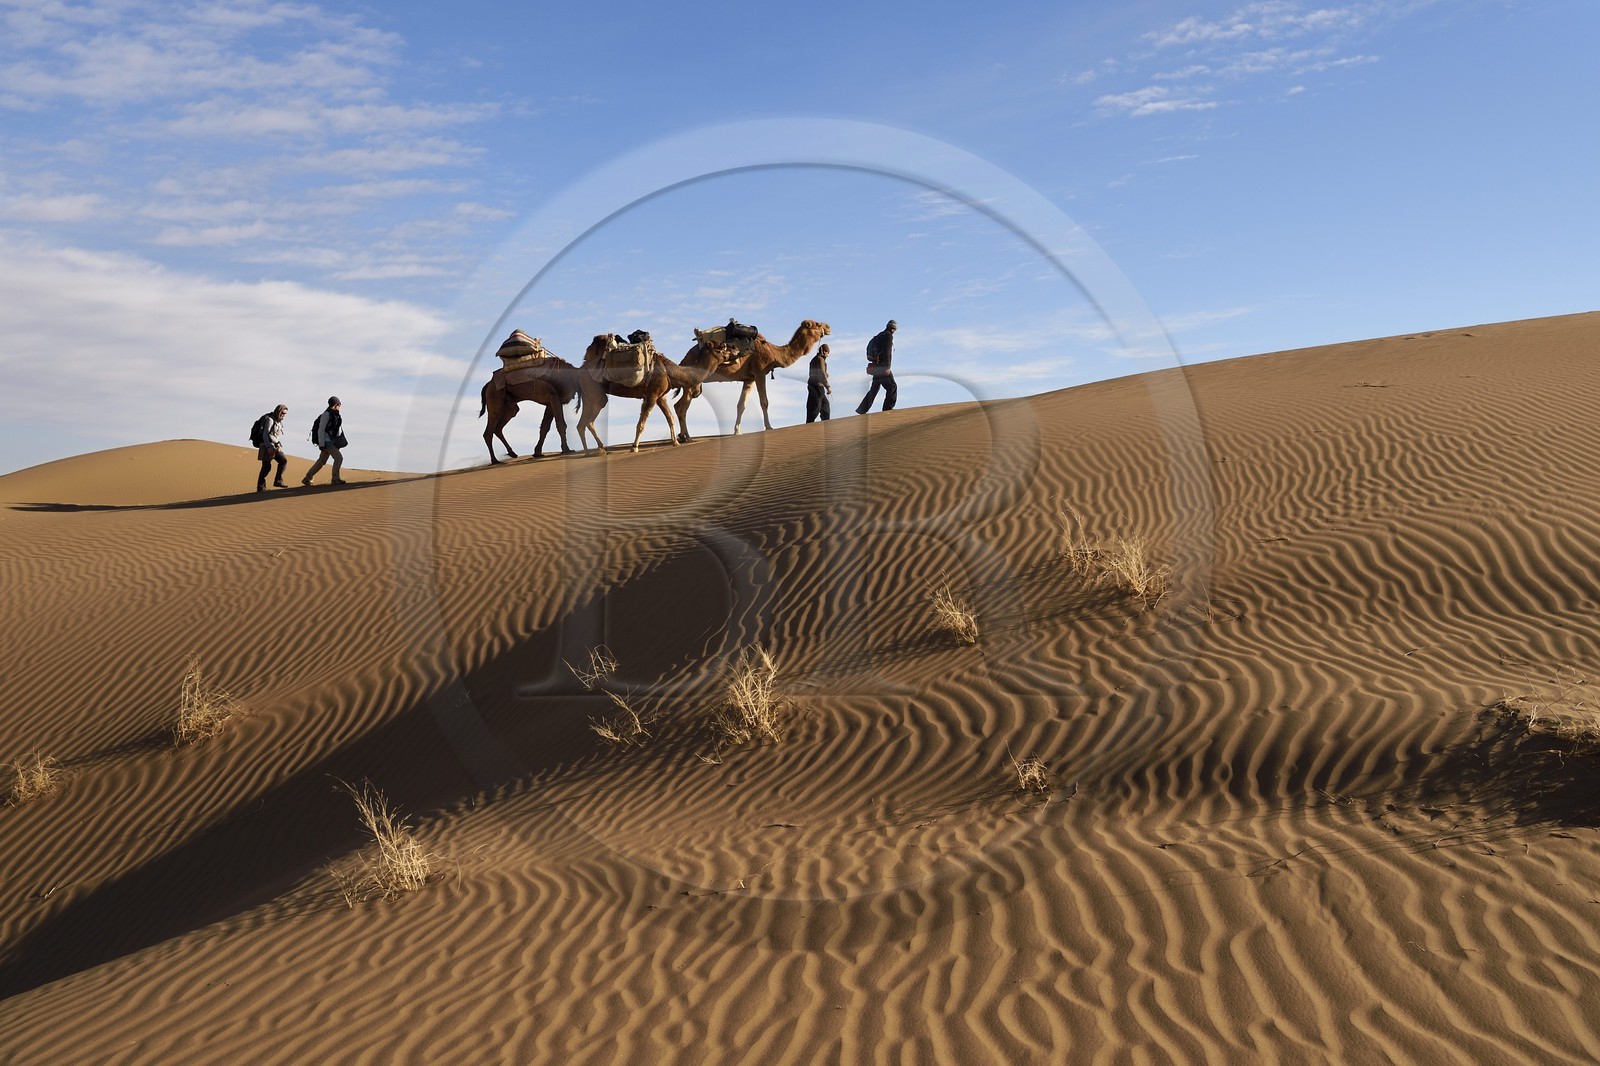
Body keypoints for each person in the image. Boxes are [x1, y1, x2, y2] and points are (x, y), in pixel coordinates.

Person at [855, 319, 898, 415]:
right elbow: (887, 352)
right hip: (882, 367)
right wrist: (887, 367)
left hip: (875, 366)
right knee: (892, 387)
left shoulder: (880, 335)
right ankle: (887, 409)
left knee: (874, 388)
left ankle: (862, 409)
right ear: (894, 328)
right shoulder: (888, 336)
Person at [302, 396, 347, 486]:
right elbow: (321, 429)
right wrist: (321, 444)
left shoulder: (335, 414)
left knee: (321, 461)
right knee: (338, 458)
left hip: (331, 441)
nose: (339, 406)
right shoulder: (326, 414)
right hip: (327, 442)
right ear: (335, 404)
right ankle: (335, 478)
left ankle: (308, 478)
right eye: (338, 404)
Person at [254, 404, 289, 492]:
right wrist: (269, 446)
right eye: (283, 413)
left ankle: (278, 481)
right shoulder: (270, 420)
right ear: (279, 411)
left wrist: (278, 445)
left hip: (275, 446)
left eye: (285, 414)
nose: (284, 415)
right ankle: (260, 487)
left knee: (283, 461)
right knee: (266, 467)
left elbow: (275, 436)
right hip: (266, 446)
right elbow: (265, 435)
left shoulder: (279, 421)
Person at [806, 344, 832, 423]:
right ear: (824, 352)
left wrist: (825, 373)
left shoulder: (814, 359)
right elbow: (821, 373)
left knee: (825, 407)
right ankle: (809, 427)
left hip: (813, 386)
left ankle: (825, 425)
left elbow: (814, 372)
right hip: (817, 386)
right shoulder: (820, 359)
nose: (828, 354)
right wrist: (827, 386)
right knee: (815, 408)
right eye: (827, 352)